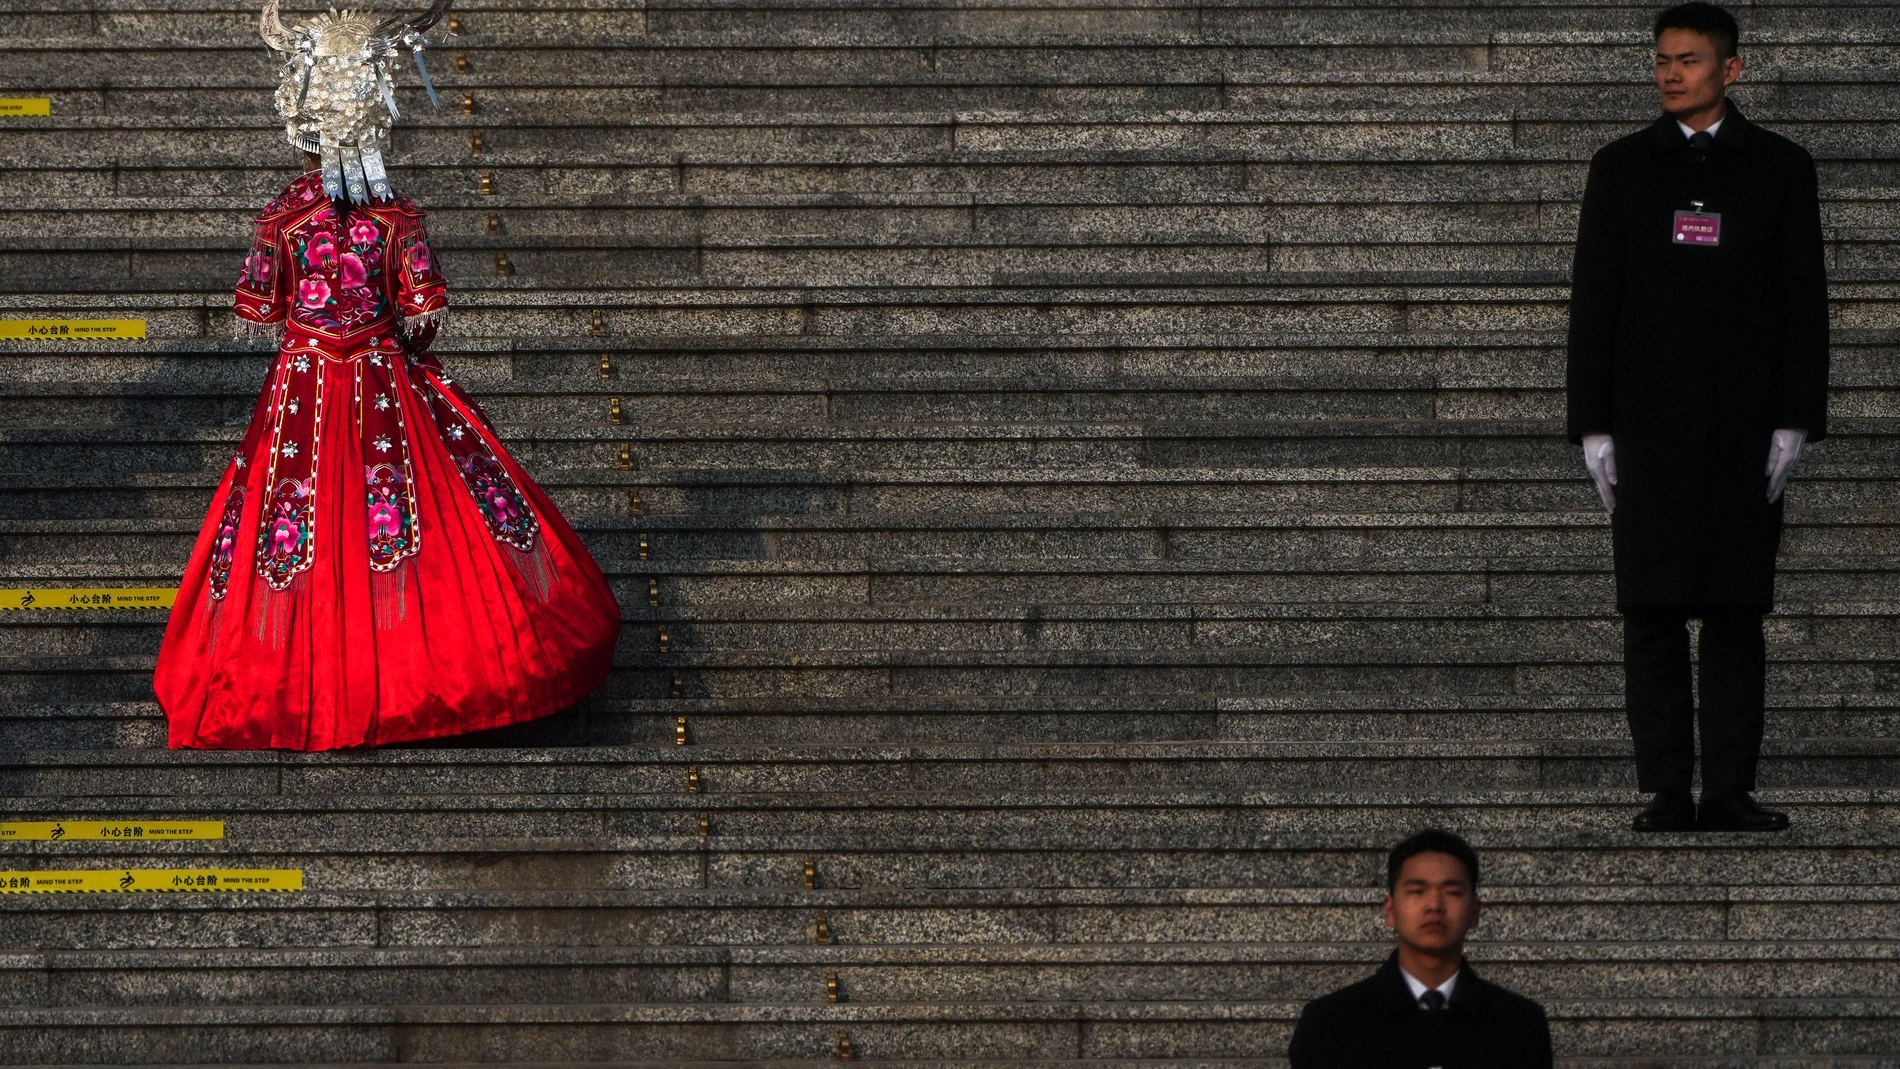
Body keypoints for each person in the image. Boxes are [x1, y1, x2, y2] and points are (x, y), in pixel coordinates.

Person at [153, 0, 621, 749]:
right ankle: (432, 673)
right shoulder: (396, 216)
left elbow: (258, 309)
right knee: (417, 523)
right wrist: (392, 336)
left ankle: (294, 683)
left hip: (303, 389)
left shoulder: (281, 217)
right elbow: (427, 308)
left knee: (293, 532)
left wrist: (315, 324)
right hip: (382, 384)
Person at [1565, 2, 1829, 833]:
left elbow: (1804, 302)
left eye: (1687, 60)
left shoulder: (1782, 168)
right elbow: (1594, 301)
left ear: (1731, 69)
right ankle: (1668, 789)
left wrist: (1796, 416)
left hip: (1744, 426)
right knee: (1649, 608)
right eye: (1662, 61)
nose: (1670, 73)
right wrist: (1592, 423)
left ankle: (1729, 789)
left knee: (1735, 609)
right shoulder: (1622, 168)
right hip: (1648, 424)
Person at [1287, 830, 1552, 1069]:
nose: (1434, 905)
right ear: (1390, 910)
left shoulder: (1519, 1024)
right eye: (1417, 891)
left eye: (1452, 892)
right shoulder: (1329, 1023)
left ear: (1474, 911)